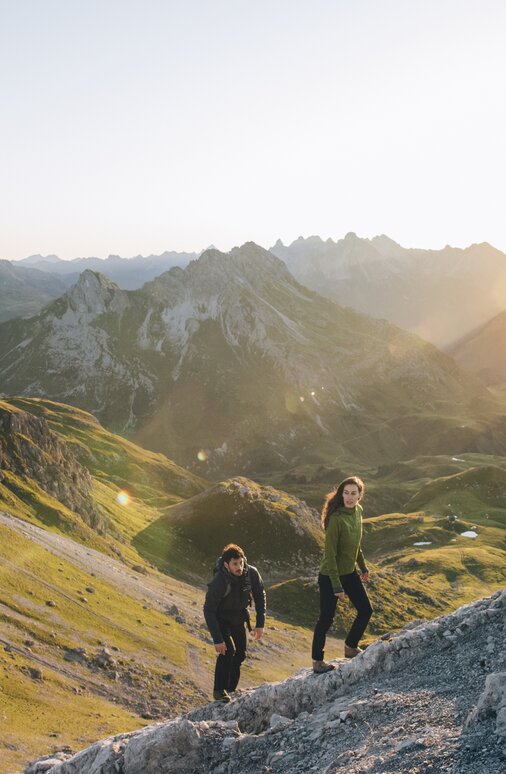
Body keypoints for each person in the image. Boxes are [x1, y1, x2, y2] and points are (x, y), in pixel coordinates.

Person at [311, 476, 373, 673]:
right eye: (345, 493)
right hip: (330, 575)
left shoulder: (358, 512)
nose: (349, 497)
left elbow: (356, 544)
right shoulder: (336, 519)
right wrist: (336, 586)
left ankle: (350, 646)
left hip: (350, 572)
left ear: (359, 496)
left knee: (366, 610)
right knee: (326, 619)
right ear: (341, 494)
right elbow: (330, 555)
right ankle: (317, 661)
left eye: (353, 493)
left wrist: (362, 566)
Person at [204, 543, 266, 702]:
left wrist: (260, 623)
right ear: (226, 565)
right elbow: (209, 610)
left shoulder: (251, 573)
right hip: (221, 618)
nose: (239, 567)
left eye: (241, 563)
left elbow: (260, 596)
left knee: (240, 654)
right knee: (227, 651)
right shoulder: (219, 581)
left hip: (239, 617)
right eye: (234, 564)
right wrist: (217, 639)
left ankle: (230, 690)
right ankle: (219, 690)